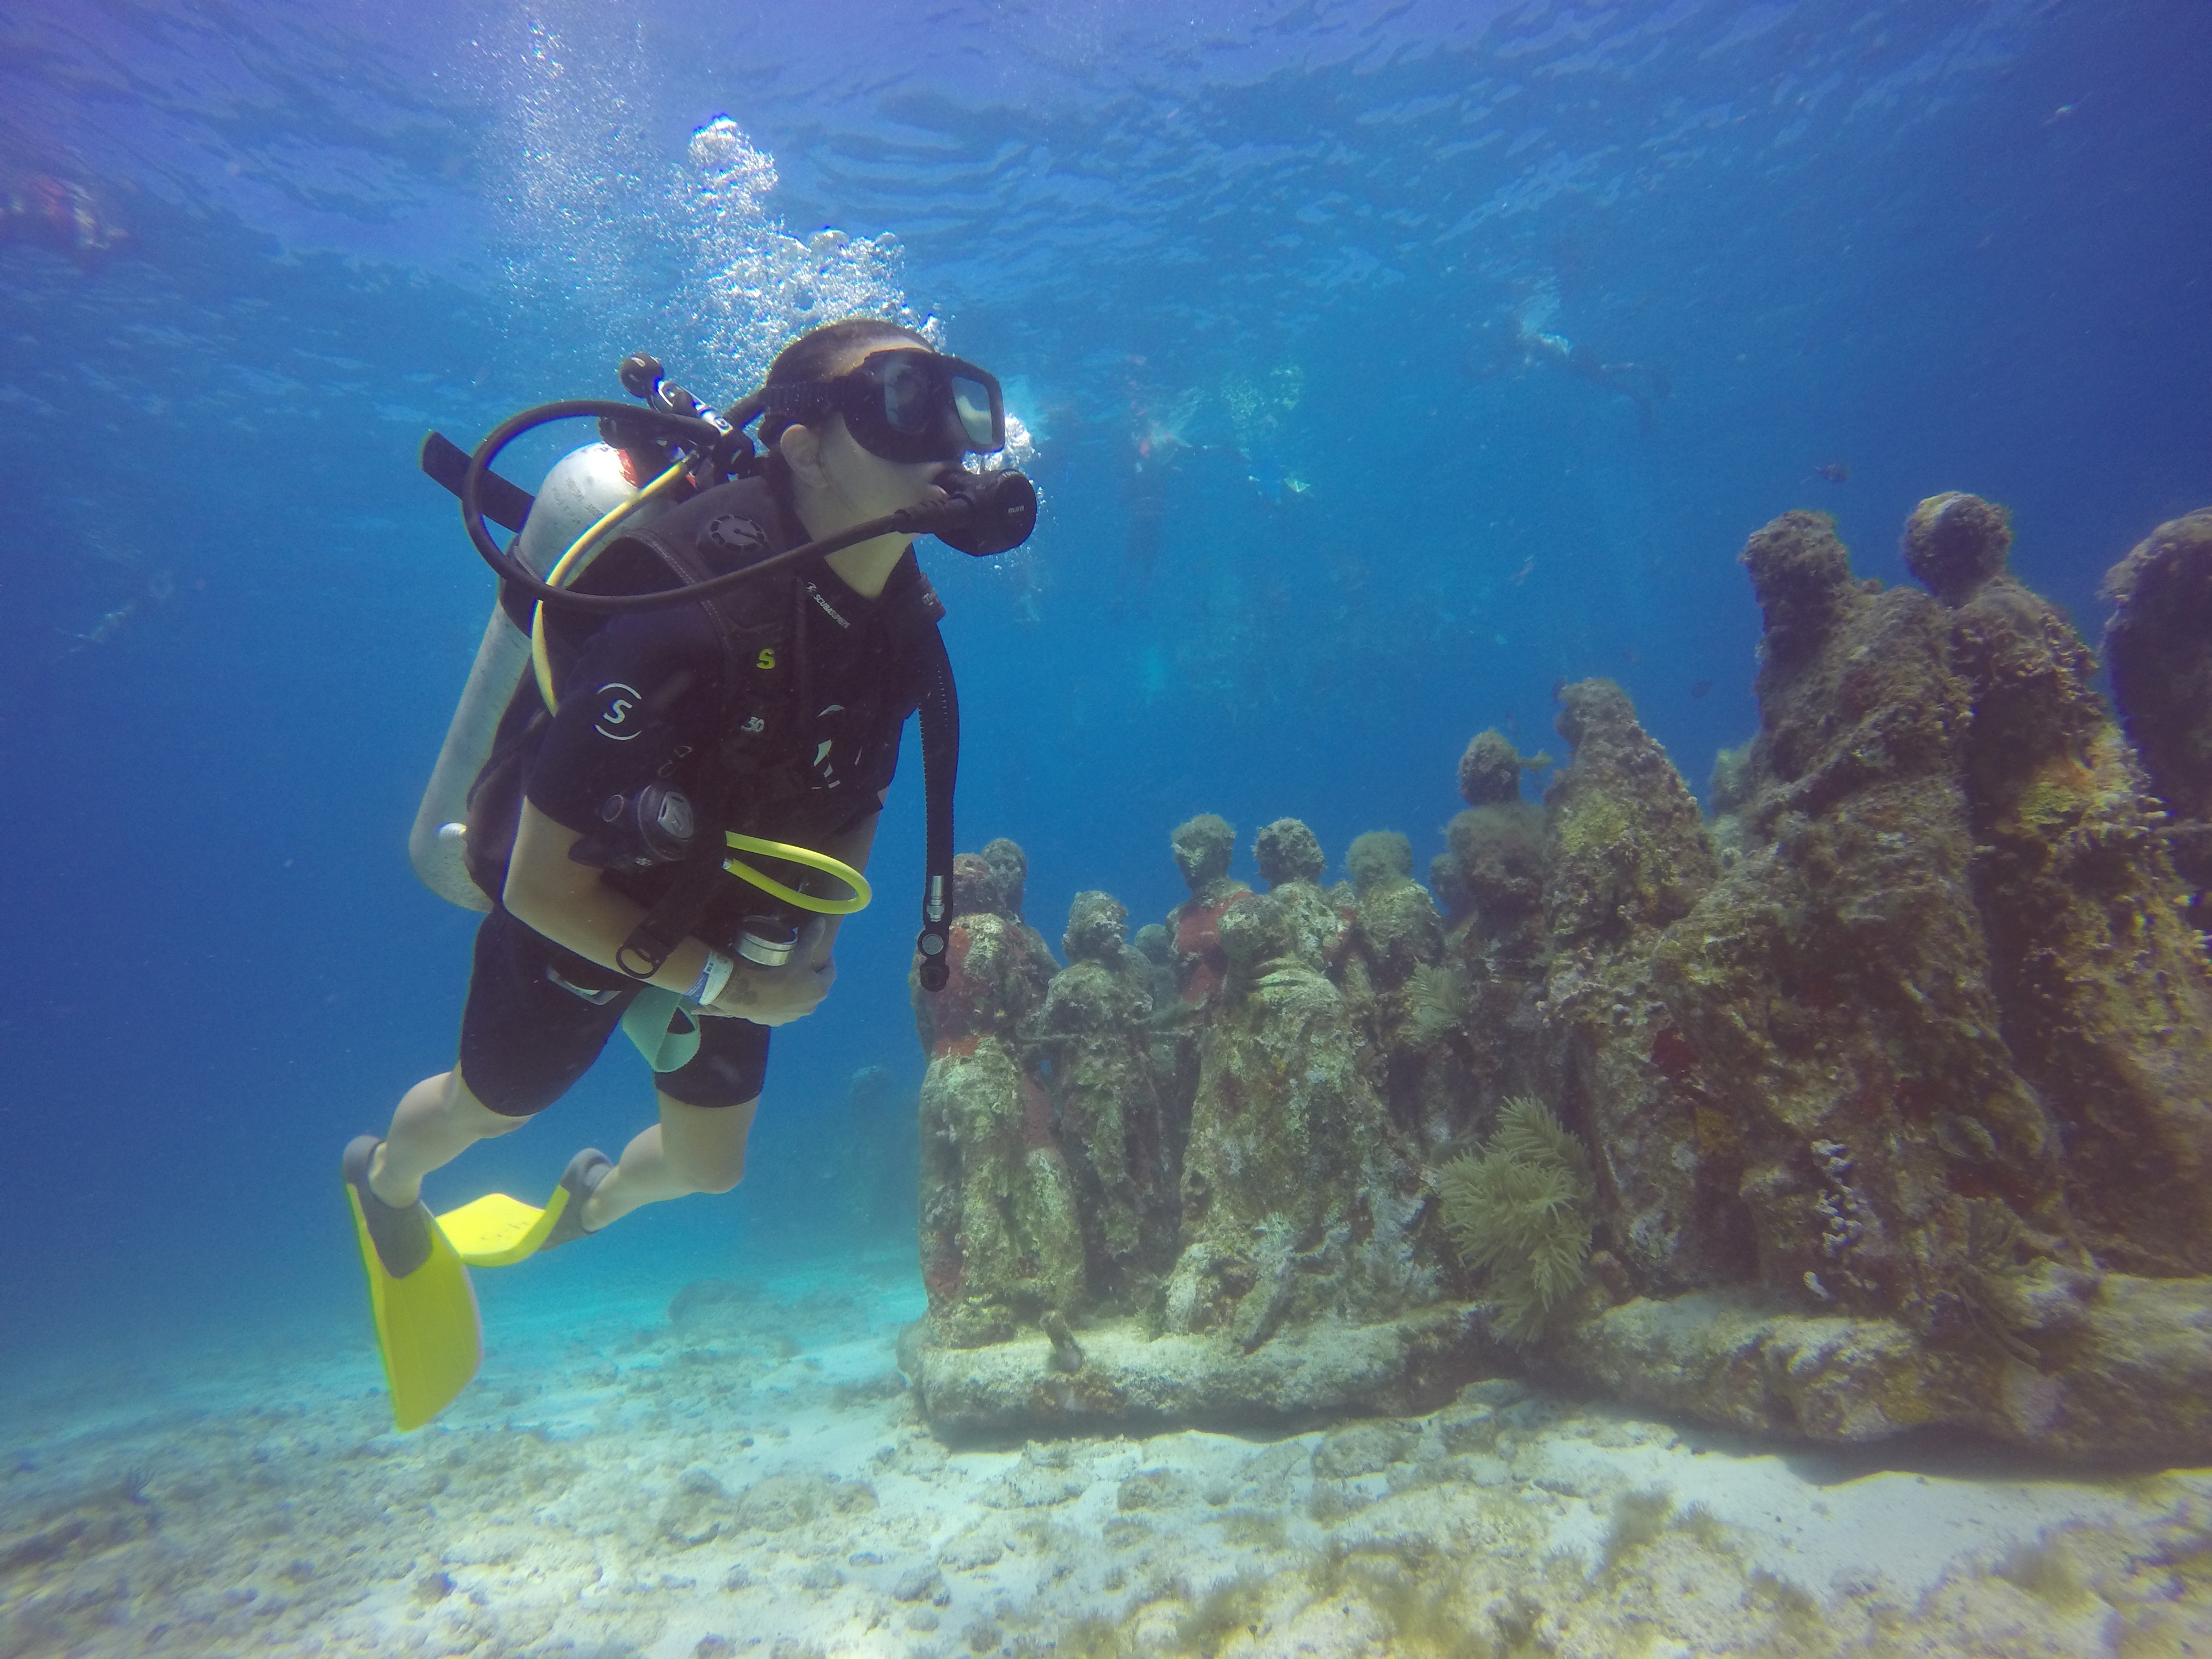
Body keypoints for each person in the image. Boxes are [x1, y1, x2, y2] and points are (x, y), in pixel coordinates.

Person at [344, 317, 1006, 1427]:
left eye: (959, 400)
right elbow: (542, 887)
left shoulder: (899, 623)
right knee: (493, 1107)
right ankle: (385, 1181)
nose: (946, 435)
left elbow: (861, 791)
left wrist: (814, 941)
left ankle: (589, 1200)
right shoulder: (682, 605)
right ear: (800, 446)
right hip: (587, 902)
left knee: (708, 1169)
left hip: (732, 911)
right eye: (898, 397)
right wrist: (720, 983)